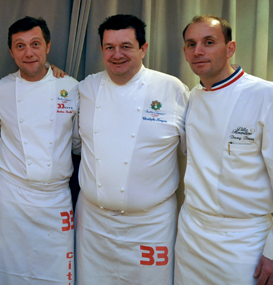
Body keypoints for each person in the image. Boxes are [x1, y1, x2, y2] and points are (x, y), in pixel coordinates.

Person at [76, 14, 189, 284]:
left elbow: (194, 151)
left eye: (126, 46)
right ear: (102, 50)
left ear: (143, 48)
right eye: (109, 47)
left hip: (151, 226)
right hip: (94, 223)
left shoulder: (171, 88)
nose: (117, 55)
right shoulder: (85, 88)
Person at [175, 15, 273, 285]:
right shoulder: (191, 98)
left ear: (230, 48)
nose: (198, 51)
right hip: (192, 236)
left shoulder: (267, 96)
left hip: (245, 242)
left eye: (209, 42)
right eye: (191, 44)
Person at [0, 16, 80, 284]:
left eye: (35, 44)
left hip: (55, 199)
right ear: (12, 51)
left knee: (57, 273)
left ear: (47, 46)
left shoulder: (70, 87)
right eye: (20, 46)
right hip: (12, 198)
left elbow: (77, 143)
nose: (28, 52)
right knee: (7, 272)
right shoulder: (0, 90)